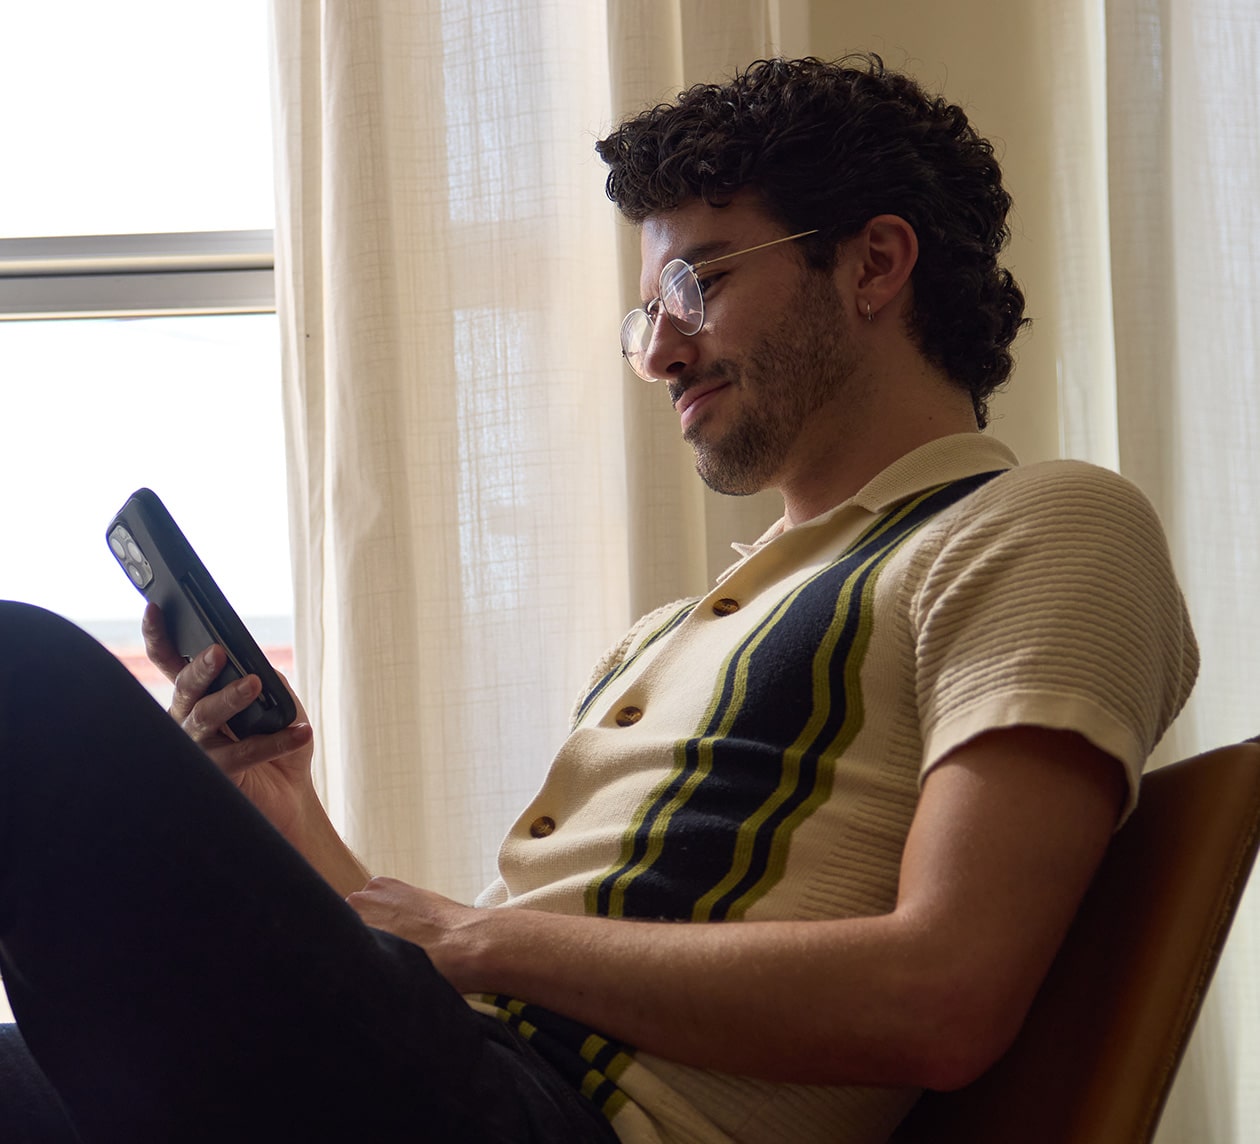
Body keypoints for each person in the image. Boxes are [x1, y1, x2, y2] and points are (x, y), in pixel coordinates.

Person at [0, 54, 1196, 1144]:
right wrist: (281, 799)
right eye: (649, 314)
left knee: (26, 677)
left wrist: (479, 936)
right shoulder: (666, 636)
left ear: (875, 264)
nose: (661, 352)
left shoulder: (1038, 525)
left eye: (698, 281)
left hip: (562, 1118)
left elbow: (945, 996)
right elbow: (430, 964)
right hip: (459, 1075)